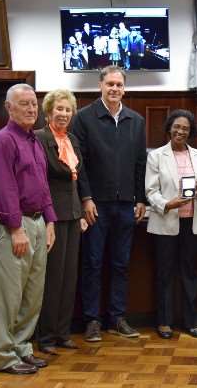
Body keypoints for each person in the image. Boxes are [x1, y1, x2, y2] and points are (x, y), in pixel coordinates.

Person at [0, 83, 56, 374]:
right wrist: (16, 229)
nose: (30, 109)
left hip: (37, 223)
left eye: (34, 104)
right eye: (24, 103)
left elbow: (43, 185)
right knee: (8, 296)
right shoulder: (2, 141)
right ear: (9, 107)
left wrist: (50, 220)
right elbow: (3, 189)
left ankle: (22, 348)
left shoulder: (35, 141)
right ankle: (3, 356)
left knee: (31, 294)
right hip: (14, 224)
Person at [72, 65, 147, 342]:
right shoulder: (84, 118)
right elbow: (78, 164)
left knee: (121, 263)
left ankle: (116, 317)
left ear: (124, 89)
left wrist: (141, 199)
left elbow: (141, 163)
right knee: (92, 262)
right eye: (110, 84)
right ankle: (92, 319)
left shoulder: (136, 120)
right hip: (96, 205)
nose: (114, 89)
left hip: (126, 204)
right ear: (100, 86)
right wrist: (86, 198)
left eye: (119, 85)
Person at [145, 109, 197, 339]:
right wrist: (168, 204)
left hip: (192, 222)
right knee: (165, 273)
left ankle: (192, 321)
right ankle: (164, 321)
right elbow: (150, 191)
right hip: (165, 221)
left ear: (191, 132)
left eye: (185, 128)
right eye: (177, 127)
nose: (180, 131)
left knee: (190, 272)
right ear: (169, 128)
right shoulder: (156, 156)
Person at [34, 89, 86, 355]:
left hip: (72, 216)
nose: (64, 114)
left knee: (69, 277)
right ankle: (46, 337)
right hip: (52, 216)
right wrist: (48, 219)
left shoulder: (73, 140)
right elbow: (44, 180)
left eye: (68, 110)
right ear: (48, 112)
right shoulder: (39, 139)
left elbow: (77, 180)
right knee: (52, 278)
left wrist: (80, 212)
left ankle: (63, 332)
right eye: (59, 109)